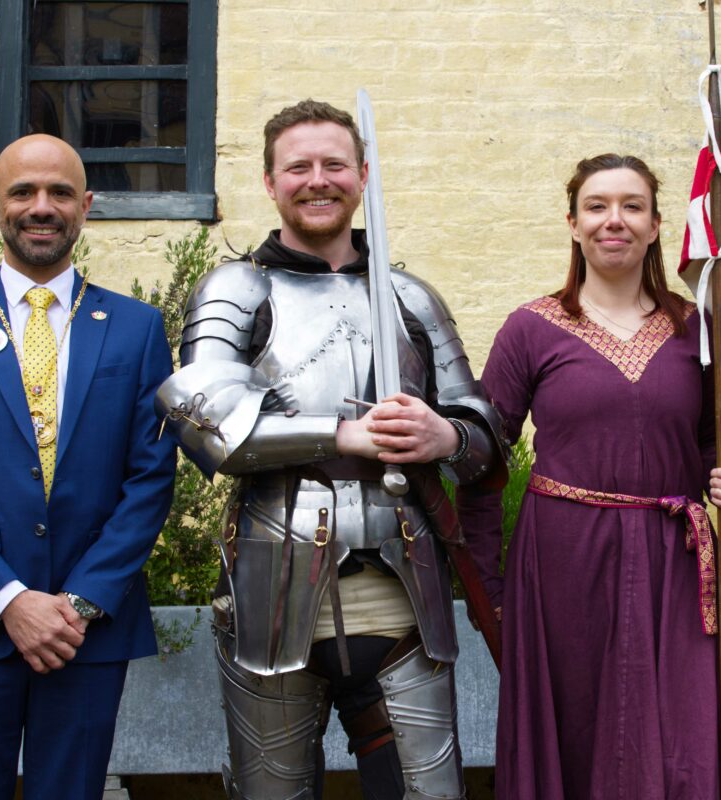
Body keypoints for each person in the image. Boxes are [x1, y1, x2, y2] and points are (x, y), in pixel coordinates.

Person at [156, 99, 504, 800]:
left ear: (363, 174)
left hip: (404, 588)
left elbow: (483, 433)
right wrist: (344, 435)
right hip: (272, 585)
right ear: (270, 182)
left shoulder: (410, 296)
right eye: (299, 166)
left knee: (427, 792)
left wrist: (445, 434)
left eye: (334, 164)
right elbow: (206, 426)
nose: (318, 180)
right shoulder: (237, 288)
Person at [455, 154, 721, 799]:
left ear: (658, 225)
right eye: (598, 206)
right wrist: (488, 584)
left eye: (632, 206)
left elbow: (703, 447)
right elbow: (481, 456)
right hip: (563, 563)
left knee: (690, 735)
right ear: (574, 225)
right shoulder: (531, 328)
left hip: (676, 560)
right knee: (580, 734)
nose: (616, 220)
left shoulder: (695, 327)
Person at [0, 134, 176, 800]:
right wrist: (10, 600)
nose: (40, 206)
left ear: (86, 206)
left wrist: (76, 606)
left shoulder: (136, 329)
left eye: (58, 193)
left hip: (89, 630)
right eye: (23, 192)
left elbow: (151, 478)